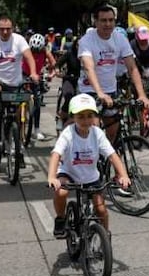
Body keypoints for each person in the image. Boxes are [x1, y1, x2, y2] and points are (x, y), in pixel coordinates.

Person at [47, 93, 131, 237]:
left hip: (91, 176)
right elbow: (56, 155)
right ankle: (60, 218)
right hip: (69, 173)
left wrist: (123, 175)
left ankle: (105, 236)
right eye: (81, 116)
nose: (86, 120)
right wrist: (51, 177)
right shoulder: (68, 133)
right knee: (61, 192)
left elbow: (112, 155)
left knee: (101, 209)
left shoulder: (97, 133)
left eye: (89, 116)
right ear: (73, 117)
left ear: (95, 116)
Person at [77, 4, 149, 143]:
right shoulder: (86, 41)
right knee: (94, 130)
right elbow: (89, 68)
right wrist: (99, 93)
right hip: (90, 90)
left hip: (111, 90)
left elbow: (132, 67)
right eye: (103, 20)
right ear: (95, 21)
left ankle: (108, 156)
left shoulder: (120, 39)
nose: (108, 24)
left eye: (111, 20)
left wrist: (141, 95)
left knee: (113, 134)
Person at [0, 15, 38, 140]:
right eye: (2, 29)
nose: (5, 32)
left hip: (15, 82)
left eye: (8, 29)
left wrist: (33, 73)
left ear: (13, 28)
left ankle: (18, 139)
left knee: (19, 112)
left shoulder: (19, 40)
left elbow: (29, 57)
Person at [24, 33, 56, 141]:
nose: (35, 53)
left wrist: (52, 73)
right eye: (33, 50)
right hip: (24, 75)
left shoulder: (45, 51)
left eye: (38, 51)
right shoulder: (25, 50)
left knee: (37, 103)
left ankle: (36, 129)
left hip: (37, 77)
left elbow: (53, 63)